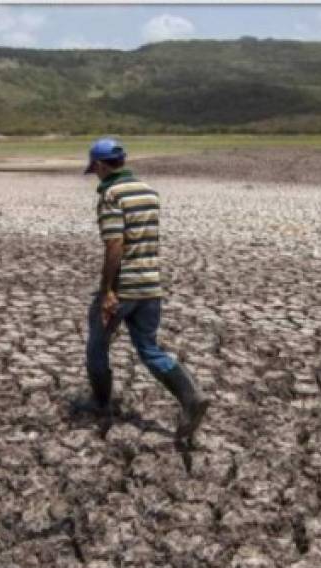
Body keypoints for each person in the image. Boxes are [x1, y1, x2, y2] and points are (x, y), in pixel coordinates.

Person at [77, 136, 209, 446]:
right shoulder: (149, 192)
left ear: (99, 165)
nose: (94, 174)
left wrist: (108, 290)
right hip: (151, 286)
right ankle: (191, 397)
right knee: (149, 349)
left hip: (124, 289)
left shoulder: (111, 195)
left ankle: (100, 404)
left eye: (94, 168)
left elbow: (115, 245)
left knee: (97, 344)